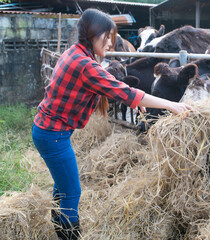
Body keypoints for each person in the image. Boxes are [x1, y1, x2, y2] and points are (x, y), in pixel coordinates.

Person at [32, 8, 193, 240]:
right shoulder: (85, 65)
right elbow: (124, 91)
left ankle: (58, 226)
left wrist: (137, 100)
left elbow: (116, 91)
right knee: (72, 191)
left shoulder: (75, 54)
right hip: (53, 134)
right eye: (106, 37)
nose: (110, 43)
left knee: (62, 186)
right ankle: (69, 235)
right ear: (92, 34)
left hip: (48, 131)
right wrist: (172, 105)